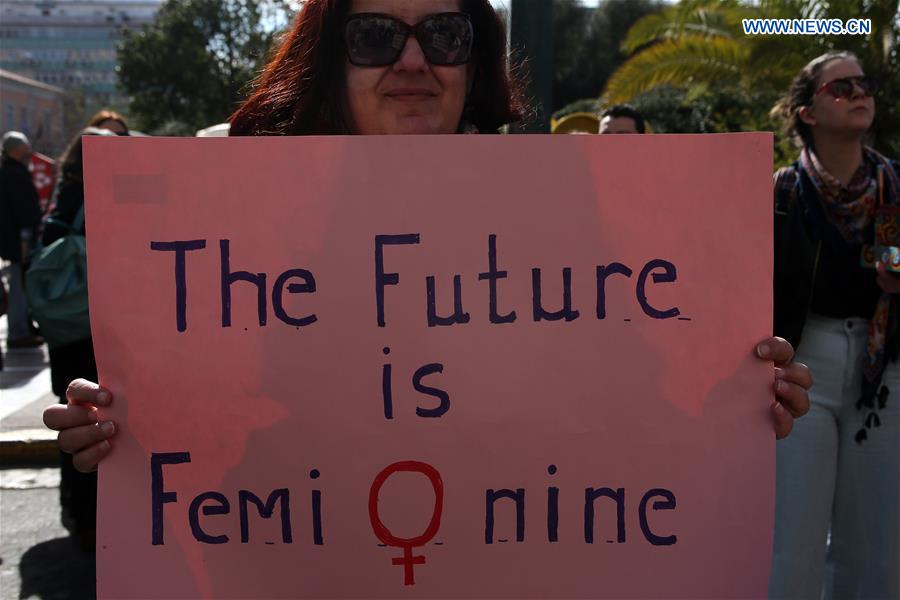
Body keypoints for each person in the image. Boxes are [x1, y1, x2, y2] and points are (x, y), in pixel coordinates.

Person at [44, 0, 809, 490]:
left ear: (473, 58)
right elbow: (203, 412)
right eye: (375, 37)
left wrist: (731, 404)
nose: (413, 61)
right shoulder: (242, 219)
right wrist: (121, 426)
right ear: (331, 62)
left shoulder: (562, 209)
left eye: (444, 34)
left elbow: (639, 396)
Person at [769, 51, 899, 599]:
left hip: (883, 366)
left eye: (862, 84)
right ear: (807, 113)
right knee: (793, 531)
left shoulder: (896, 185)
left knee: (877, 537)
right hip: (805, 363)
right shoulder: (783, 192)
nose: (858, 93)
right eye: (839, 87)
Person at [42, 126, 120, 550]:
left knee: (77, 424)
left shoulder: (62, 200)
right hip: (93, 329)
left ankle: (77, 515)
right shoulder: (110, 199)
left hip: (66, 331)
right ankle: (91, 520)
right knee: (93, 425)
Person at [0, 131, 43, 348]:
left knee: (20, 284)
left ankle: (22, 327)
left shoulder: (9, 172)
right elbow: (23, 210)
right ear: (17, 150)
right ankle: (18, 332)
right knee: (18, 285)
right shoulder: (14, 174)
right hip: (18, 242)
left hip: (14, 239)